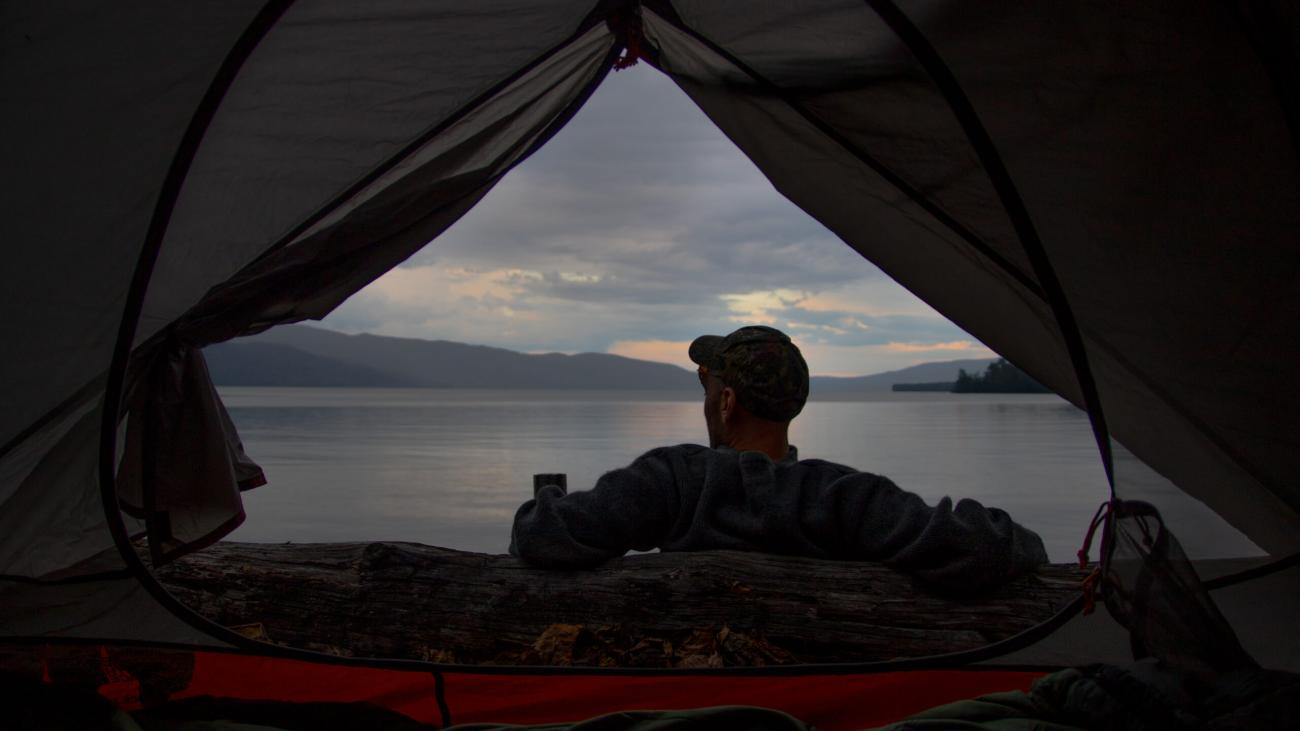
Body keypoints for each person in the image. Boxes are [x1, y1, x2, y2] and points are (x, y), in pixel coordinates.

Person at [509, 325, 1048, 594]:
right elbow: (985, 547)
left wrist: (547, 500)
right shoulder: (844, 497)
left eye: (707, 384)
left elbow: (543, 534)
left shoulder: (673, 479)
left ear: (726, 402)